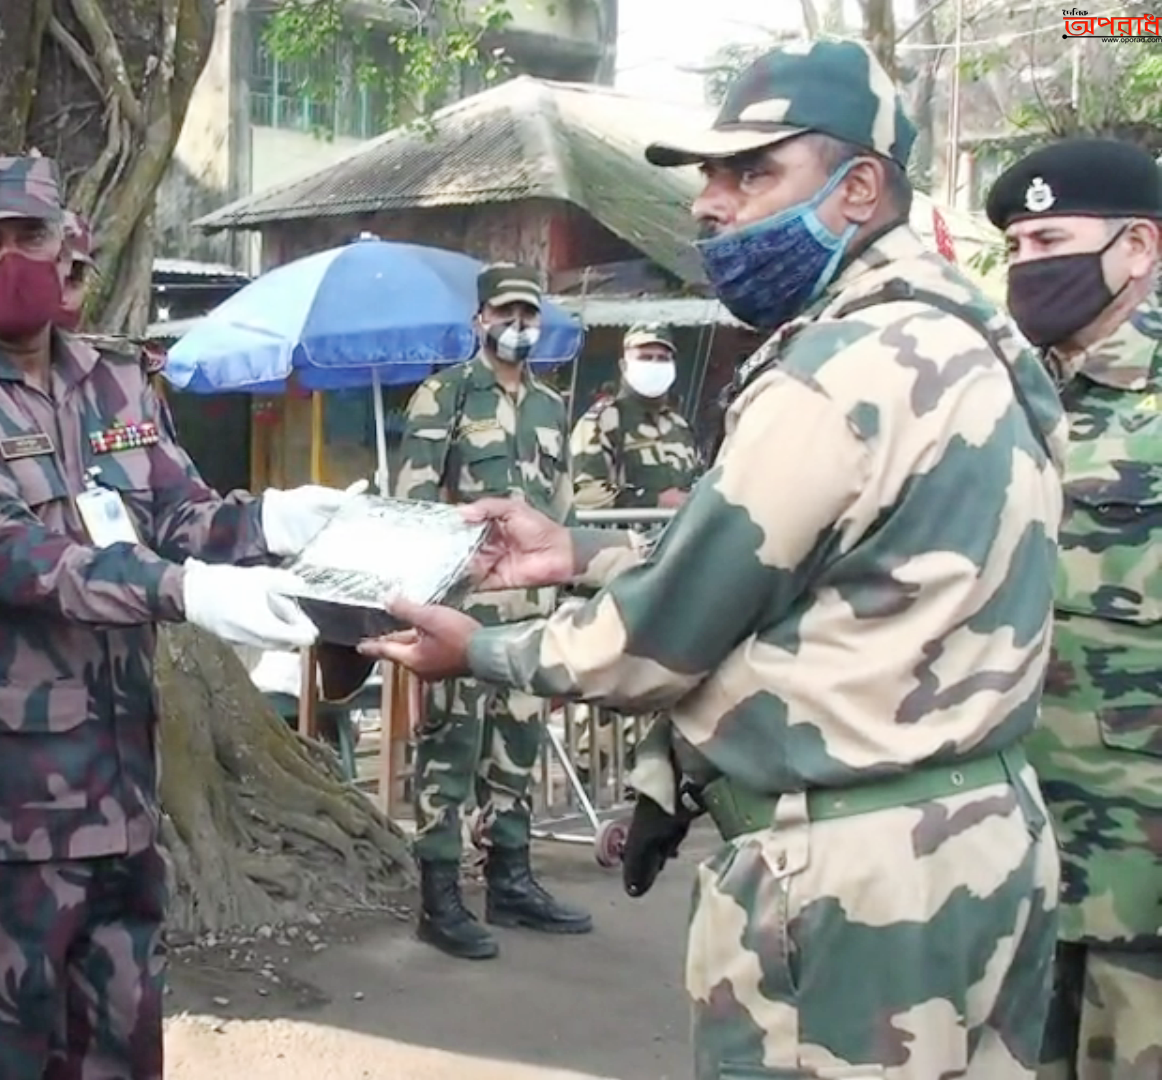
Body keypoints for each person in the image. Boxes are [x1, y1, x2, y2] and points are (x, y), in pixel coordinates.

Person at [363, 38, 1067, 1079]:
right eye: (707, 174)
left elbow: (654, 642)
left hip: (854, 883)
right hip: (983, 840)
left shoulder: (836, 372)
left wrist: (481, 652)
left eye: (752, 172)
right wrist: (585, 553)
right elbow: (826, 575)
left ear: (858, 188)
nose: (709, 203)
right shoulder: (973, 343)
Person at [0, 154, 357, 1079]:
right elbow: (6, 550)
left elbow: (181, 513)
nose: (12, 256)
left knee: (121, 1058)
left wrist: (277, 519)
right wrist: (185, 591)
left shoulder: (118, 381)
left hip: (124, 803)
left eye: (32, 235)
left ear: (66, 248)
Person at [985, 137, 1162, 1080]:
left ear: (1139, 247)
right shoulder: (1015, 396)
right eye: (1014, 246)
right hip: (1016, 853)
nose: (1028, 265)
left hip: (1145, 883)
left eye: (1050, 237)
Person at [390, 263, 591, 961]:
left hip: (531, 611)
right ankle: (438, 898)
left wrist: (565, 599)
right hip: (460, 604)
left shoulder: (550, 406)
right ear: (480, 319)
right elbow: (413, 503)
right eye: (507, 313)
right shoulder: (444, 395)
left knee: (519, 746)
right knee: (450, 748)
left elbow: (561, 511)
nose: (519, 327)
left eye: (530, 316)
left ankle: (510, 879)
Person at [568, 323, 699, 511]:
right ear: (623, 365)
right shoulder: (604, 420)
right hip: (625, 537)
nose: (654, 365)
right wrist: (652, 500)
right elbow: (583, 493)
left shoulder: (680, 425)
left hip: (680, 537)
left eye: (662, 359)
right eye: (645, 357)